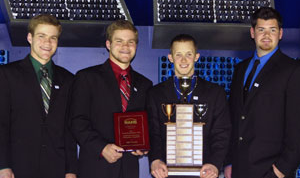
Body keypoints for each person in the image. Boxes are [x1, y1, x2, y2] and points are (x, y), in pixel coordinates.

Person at [69, 20, 153, 178]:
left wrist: (143, 146)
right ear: (108, 44)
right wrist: (101, 148)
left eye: (131, 42)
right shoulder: (87, 78)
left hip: (129, 170)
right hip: (95, 168)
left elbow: (147, 124)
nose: (125, 47)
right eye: (119, 41)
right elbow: (77, 122)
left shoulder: (145, 84)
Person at [224, 7, 300, 178]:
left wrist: (280, 171)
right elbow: (234, 119)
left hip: (271, 172)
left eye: (272, 30)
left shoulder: (293, 70)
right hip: (238, 170)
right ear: (252, 33)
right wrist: (228, 162)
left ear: (280, 33)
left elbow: (297, 127)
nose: (267, 35)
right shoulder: (240, 69)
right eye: (261, 29)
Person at [0, 14, 77, 178]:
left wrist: (71, 170)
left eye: (53, 38)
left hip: (57, 168)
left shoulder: (69, 80)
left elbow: (69, 129)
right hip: (17, 167)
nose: (47, 43)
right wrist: (3, 165)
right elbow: (1, 123)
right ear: (30, 37)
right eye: (41, 36)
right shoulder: (7, 75)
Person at [147, 34, 231, 178]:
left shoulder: (216, 93)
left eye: (188, 54)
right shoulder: (155, 93)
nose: (184, 60)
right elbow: (153, 132)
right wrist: (155, 160)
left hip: (205, 172)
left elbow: (221, 133)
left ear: (196, 57)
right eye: (178, 54)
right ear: (170, 57)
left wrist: (214, 163)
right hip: (166, 173)